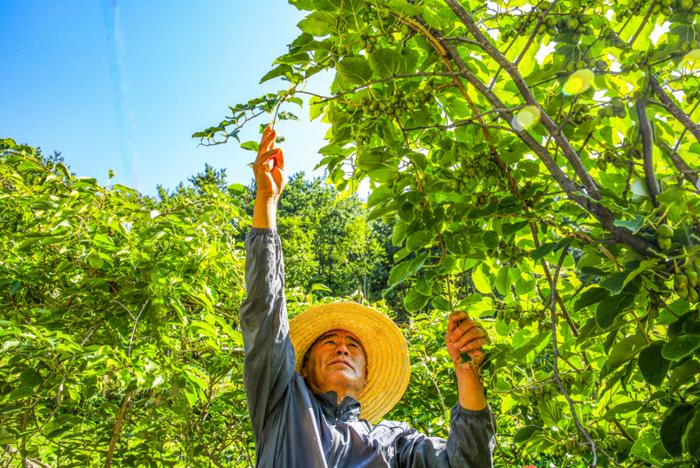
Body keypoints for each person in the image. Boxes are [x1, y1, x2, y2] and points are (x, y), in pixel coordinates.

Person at [239, 125, 495, 467]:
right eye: (329, 341)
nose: (343, 347)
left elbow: (466, 463)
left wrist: (468, 373)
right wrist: (267, 202)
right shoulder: (284, 401)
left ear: (367, 374)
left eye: (353, 346)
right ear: (301, 368)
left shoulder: (395, 443)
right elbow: (264, 312)